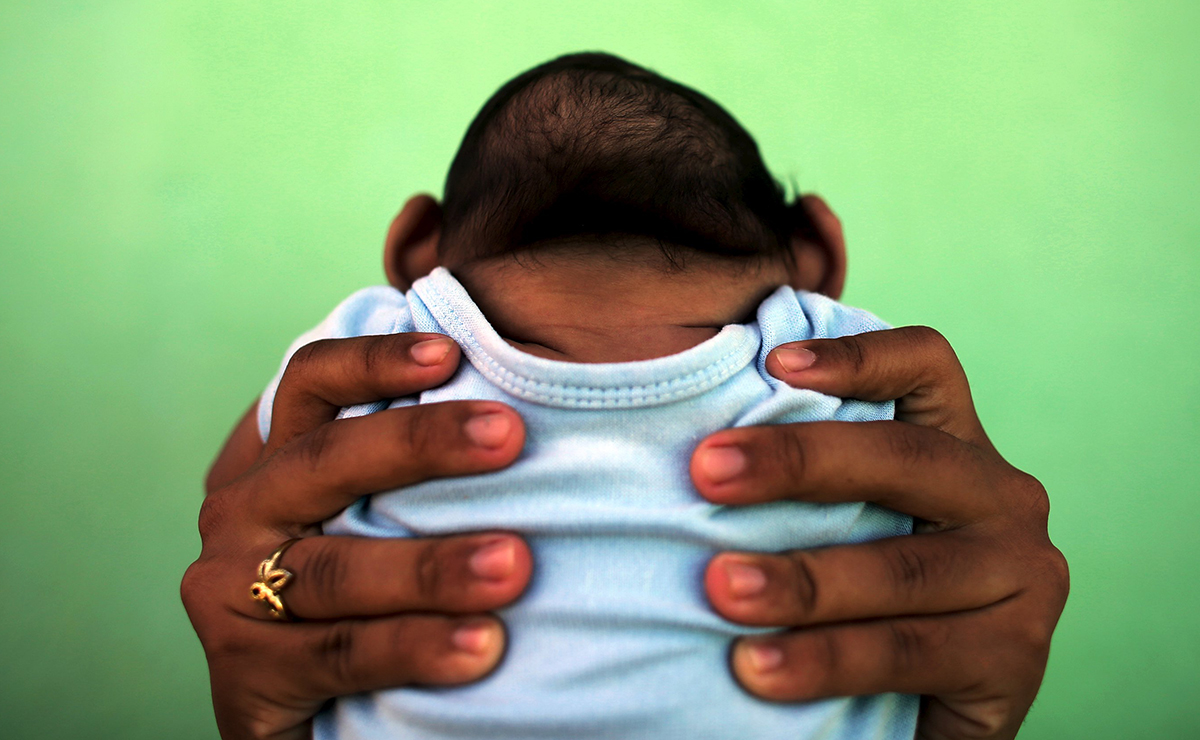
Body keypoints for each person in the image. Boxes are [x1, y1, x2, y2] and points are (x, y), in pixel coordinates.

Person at [185, 54, 1069, 740]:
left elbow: (235, 504)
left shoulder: (375, 341)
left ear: (420, 247)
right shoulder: (840, 355)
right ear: (818, 257)